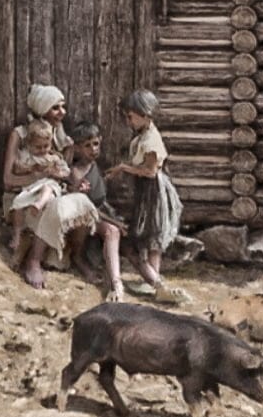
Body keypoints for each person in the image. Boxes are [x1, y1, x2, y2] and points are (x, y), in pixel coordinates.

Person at [2, 84, 99, 290]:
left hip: (53, 191)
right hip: (24, 197)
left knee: (82, 202)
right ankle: (33, 262)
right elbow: (8, 180)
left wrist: (75, 185)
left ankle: (77, 256)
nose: (62, 113)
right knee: (54, 205)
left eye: (63, 107)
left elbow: (61, 174)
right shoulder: (19, 134)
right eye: (56, 108)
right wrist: (38, 175)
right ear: (42, 108)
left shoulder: (61, 136)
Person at [118, 88, 184, 294]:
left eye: (130, 117)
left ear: (145, 115)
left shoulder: (151, 141)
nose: (128, 122)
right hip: (146, 189)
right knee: (149, 235)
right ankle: (152, 280)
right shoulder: (144, 135)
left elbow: (149, 171)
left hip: (153, 191)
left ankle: (155, 281)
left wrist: (123, 168)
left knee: (152, 231)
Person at [64, 120, 128, 303]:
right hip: (83, 216)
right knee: (102, 224)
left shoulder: (94, 166)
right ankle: (78, 256)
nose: (93, 149)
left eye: (96, 144)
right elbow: (87, 208)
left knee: (114, 232)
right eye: (87, 146)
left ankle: (116, 281)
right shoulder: (76, 172)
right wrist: (115, 222)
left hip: (99, 211)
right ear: (77, 148)